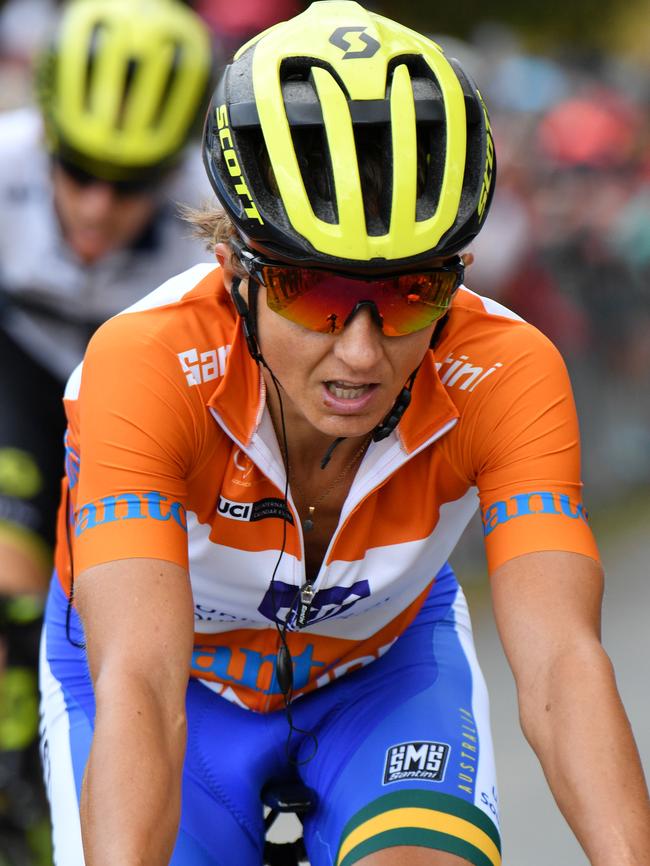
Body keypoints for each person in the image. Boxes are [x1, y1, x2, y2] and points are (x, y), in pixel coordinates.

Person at [39, 2, 650, 866]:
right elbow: (137, 676)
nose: (360, 352)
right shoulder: (144, 364)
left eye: (411, 293)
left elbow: (560, 665)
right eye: (312, 294)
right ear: (234, 267)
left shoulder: (508, 370)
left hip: (383, 673)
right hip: (174, 683)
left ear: (458, 277)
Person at [0, 0, 213, 857]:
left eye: (129, 184)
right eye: (78, 168)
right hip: (18, 371)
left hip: (138, 393)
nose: (95, 206)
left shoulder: (211, 224)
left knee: (128, 606)